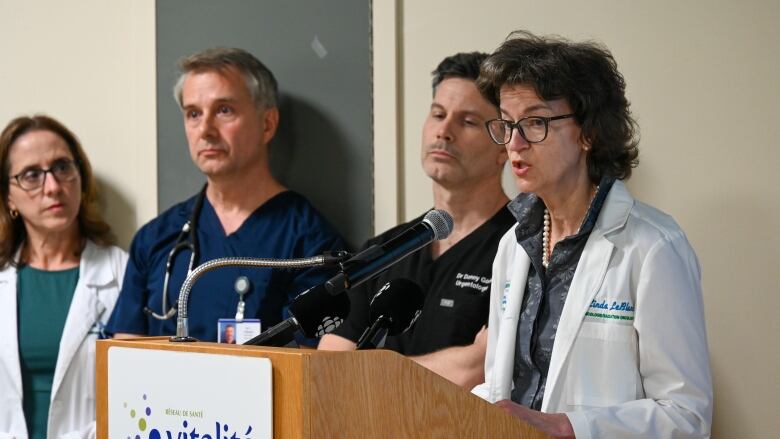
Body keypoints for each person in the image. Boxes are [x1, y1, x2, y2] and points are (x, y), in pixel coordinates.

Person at [471, 31, 712, 438]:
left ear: (589, 133)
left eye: (534, 122)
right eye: (507, 124)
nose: (514, 143)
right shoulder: (513, 245)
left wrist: (570, 427)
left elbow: (687, 417)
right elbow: (503, 388)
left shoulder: (653, 248)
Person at [107, 48, 345, 343]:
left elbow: (316, 364)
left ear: (267, 124)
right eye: (193, 114)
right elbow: (123, 354)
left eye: (224, 110)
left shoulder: (309, 242)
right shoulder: (156, 239)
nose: (205, 129)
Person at [318, 53, 515, 389]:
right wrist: (453, 363)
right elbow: (329, 362)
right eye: (438, 114)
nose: (444, 131)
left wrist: (366, 370)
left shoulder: (522, 247)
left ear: (503, 147)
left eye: (467, 121)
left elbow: (478, 372)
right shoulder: (384, 250)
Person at [0, 115, 127, 438]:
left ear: (80, 178)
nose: (53, 187)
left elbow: (138, 393)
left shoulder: (121, 274)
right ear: (9, 197)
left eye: (62, 168)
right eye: (31, 175)